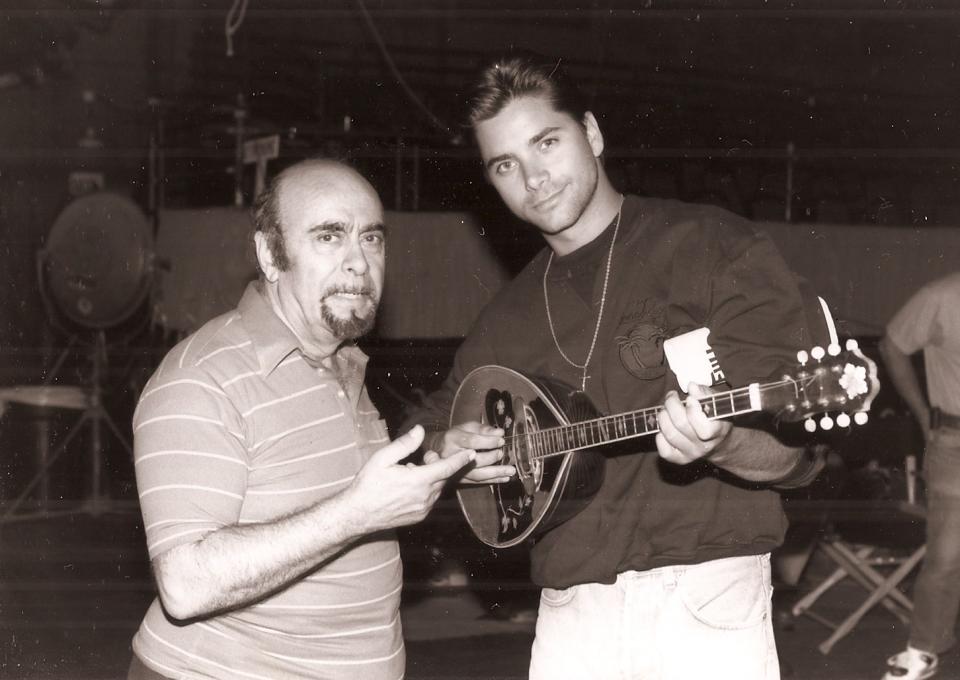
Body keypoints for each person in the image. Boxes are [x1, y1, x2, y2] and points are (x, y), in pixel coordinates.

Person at [407, 54, 829, 680]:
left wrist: (723, 443)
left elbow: (796, 461)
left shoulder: (712, 245)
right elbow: (422, 435)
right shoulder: (505, 318)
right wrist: (451, 448)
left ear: (594, 134)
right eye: (505, 164)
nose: (533, 177)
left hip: (705, 598)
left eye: (546, 142)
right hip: (569, 611)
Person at [127, 158, 476, 680]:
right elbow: (184, 584)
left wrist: (440, 458)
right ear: (270, 254)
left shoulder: (338, 360)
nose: (359, 262)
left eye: (372, 239)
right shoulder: (201, 378)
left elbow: (326, 492)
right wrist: (358, 512)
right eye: (330, 237)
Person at [879, 271, 960, 680]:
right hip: (955, 442)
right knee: (947, 556)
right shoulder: (941, 296)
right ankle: (923, 651)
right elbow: (892, 347)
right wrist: (921, 412)